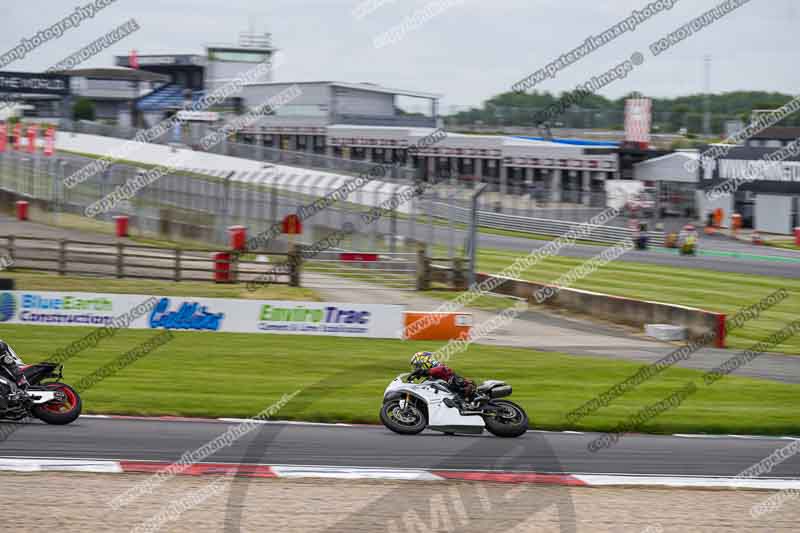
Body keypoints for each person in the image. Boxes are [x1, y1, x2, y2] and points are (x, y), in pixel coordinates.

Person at [408, 351, 477, 409]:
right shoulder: (431, 376)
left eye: (417, 365)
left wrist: (423, 372)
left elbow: (440, 370)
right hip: (448, 394)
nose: (416, 368)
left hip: (461, 388)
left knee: (451, 381)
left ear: (424, 362)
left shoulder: (439, 368)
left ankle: (464, 400)